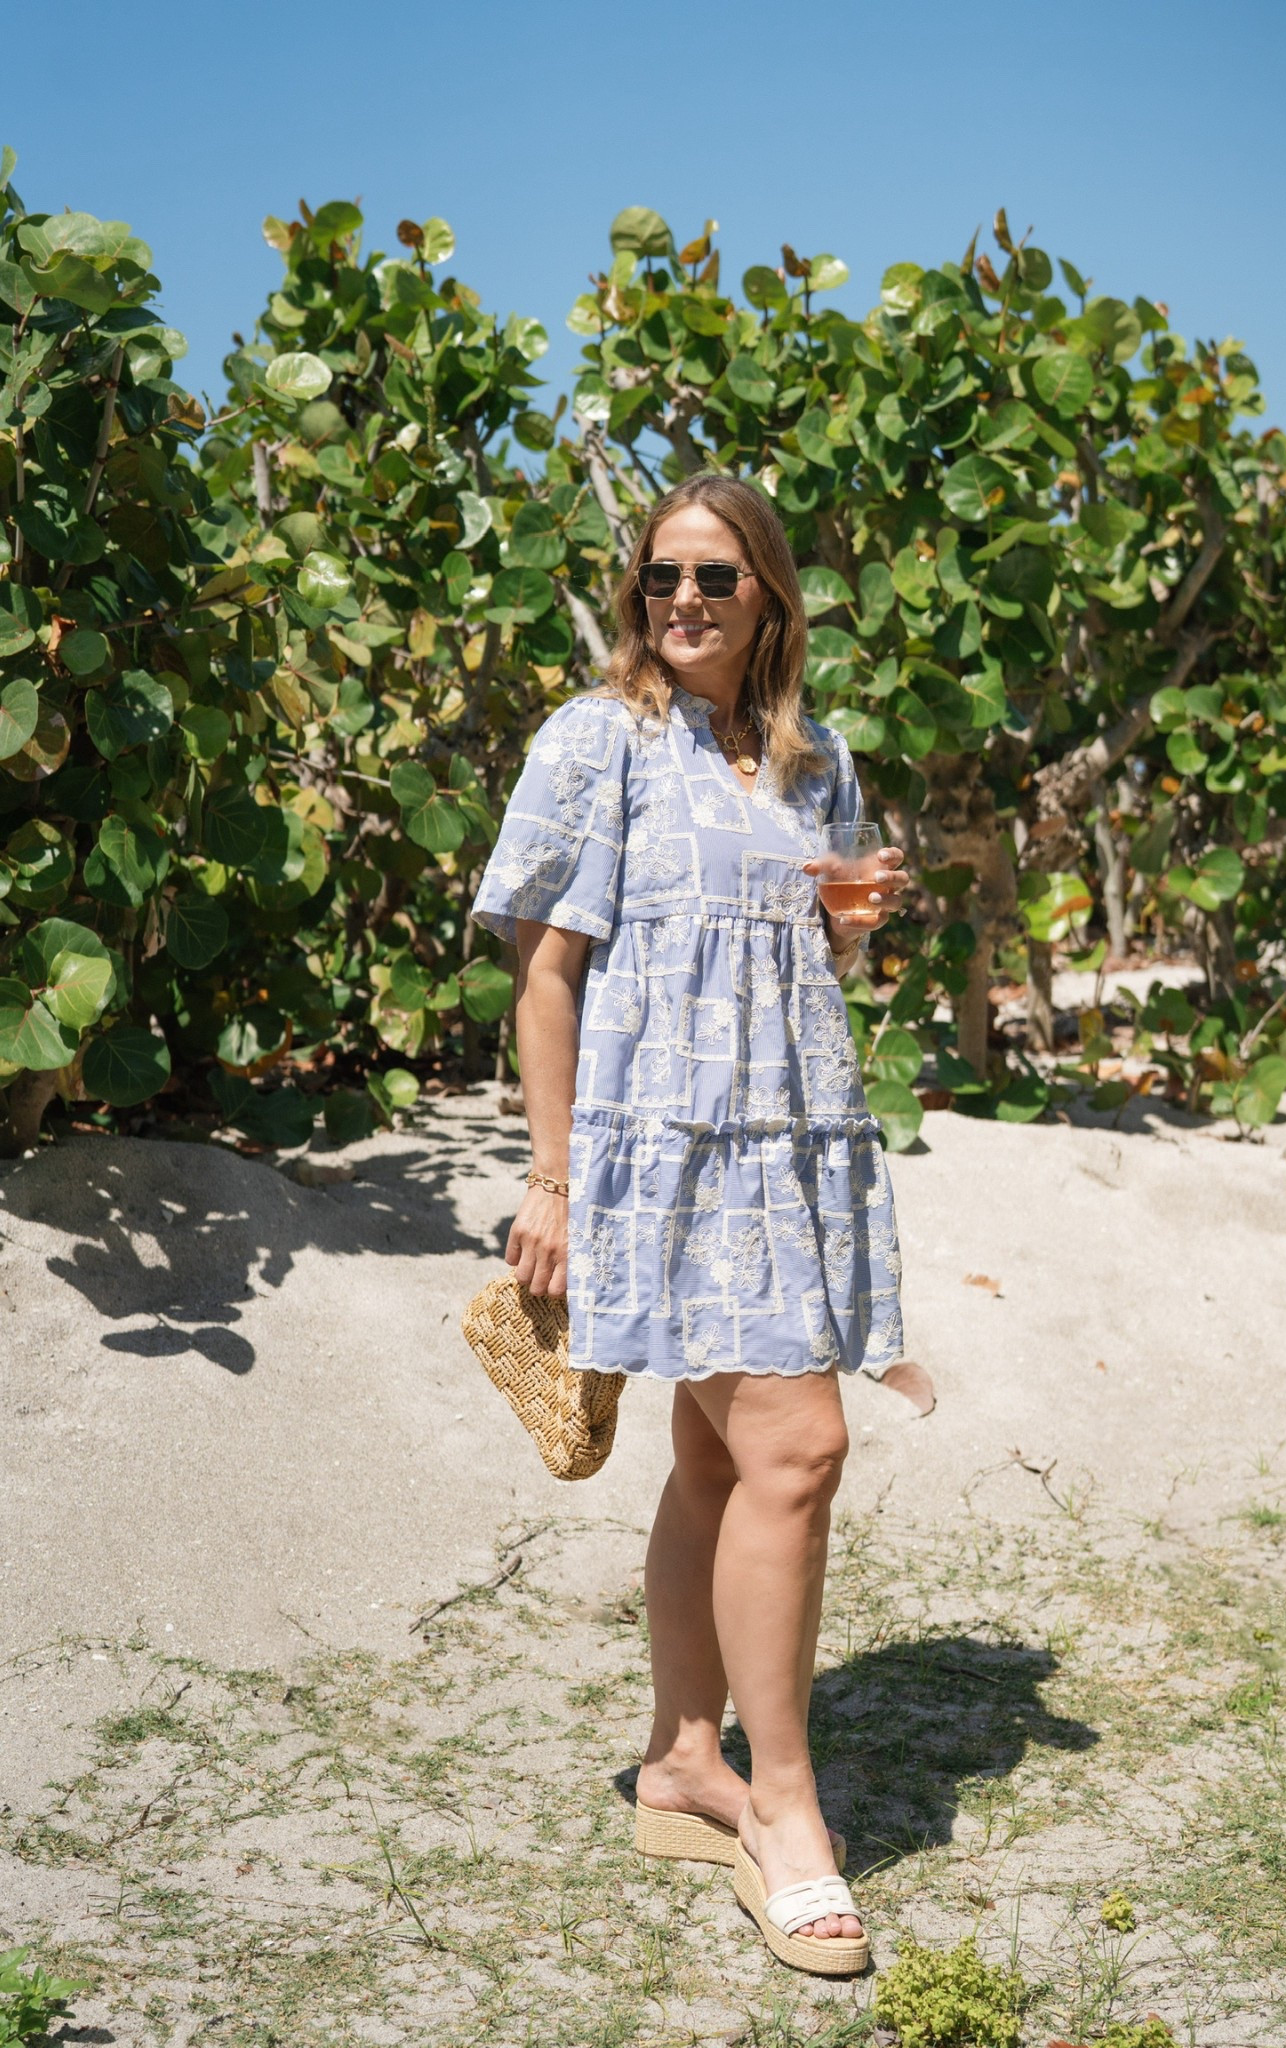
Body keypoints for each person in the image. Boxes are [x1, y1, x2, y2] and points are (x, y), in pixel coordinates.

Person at [470, 473, 910, 1976]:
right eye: (661, 577)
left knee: (726, 1452)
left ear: (769, 595)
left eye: (715, 580)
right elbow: (546, 974)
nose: (682, 603)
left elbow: (811, 983)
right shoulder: (599, 741)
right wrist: (549, 1184)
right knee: (801, 1445)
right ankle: (782, 1812)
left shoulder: (816, 759)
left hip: (783, 1144)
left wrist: (853, 933)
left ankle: (678, 1760)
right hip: (652, 1151)